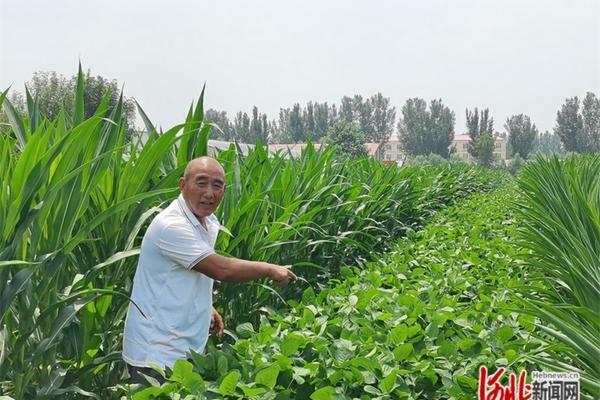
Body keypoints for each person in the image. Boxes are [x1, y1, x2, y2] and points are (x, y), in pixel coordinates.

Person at [122, 156, 296, 384]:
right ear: (183, 185)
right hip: (157, 354)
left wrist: (207, 307)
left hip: (184, 349)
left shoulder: (206, 221)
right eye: (201, 182)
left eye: (217, 185)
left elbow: (185, 272)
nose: (209, 192)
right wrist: (270, 268)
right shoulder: (172, 225)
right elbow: (221, 269)